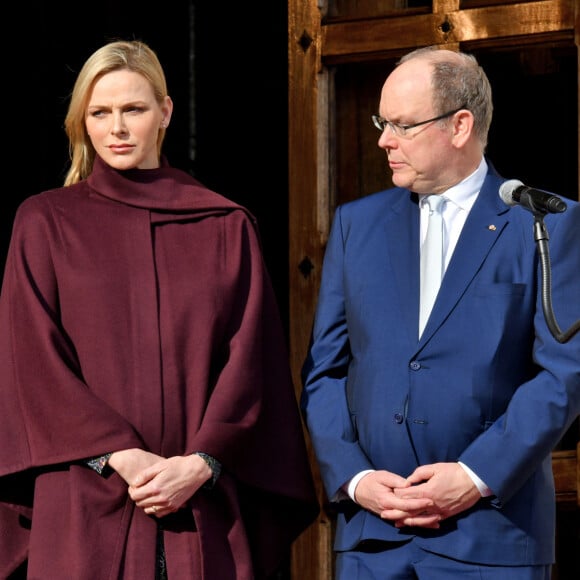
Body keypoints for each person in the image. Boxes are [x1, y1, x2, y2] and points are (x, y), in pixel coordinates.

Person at [0, 39, 318, 579]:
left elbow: (250, 361)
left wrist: (202, 463)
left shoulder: (223, 225)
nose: (117, 128)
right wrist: (120, 454)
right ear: (82, 121)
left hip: (197, 504)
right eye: (99, 113)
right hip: (85, 497)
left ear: (166, 111)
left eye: (133, 109)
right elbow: (33, 360)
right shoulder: (46, 223)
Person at [301, 45, 580, 579]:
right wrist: (356, 478)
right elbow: (324, 371)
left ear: (460, 125)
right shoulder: (355, 226)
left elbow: (564, 373)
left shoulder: (544, 223)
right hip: (372, 539)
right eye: (382, 122)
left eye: (403, 125)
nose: (384, 139)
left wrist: (476, 475)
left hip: (493, 535)